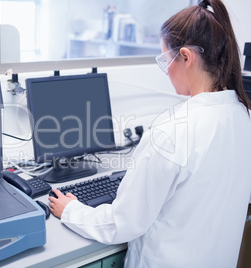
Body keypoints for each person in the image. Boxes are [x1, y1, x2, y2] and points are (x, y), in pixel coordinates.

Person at [48, 0, 251, 267]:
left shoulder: (173, 130)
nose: (166, 70)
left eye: (165, 59)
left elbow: (124, 223)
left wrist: (72, 211)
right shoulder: (240, 115)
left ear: (187, 57)